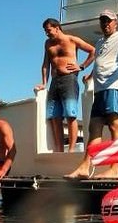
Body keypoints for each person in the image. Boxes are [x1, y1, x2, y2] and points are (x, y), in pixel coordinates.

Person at [65, 8, 118, 179]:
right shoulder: (99, 42)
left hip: (115, 87)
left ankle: (115, 169)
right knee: (94, 127)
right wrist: (90, 74)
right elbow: (101, 62)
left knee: (114, 126)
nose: (105, 24)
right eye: (103, 20)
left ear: (115, 23)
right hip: (100, 90)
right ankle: (84, 167)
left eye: (108, 20)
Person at [34, 18, 95, 152]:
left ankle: (72, 149)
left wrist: (82, 66)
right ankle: (59, 149)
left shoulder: (71, 40)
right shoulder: (48, 44)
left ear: (57, 28)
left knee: (70, 114)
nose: (47, 33)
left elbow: (93, 51)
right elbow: (46, 64)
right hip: (55, 82)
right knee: (54, 116)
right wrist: (44, 83)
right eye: (45, 31)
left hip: (69, 79)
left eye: (48, 30)